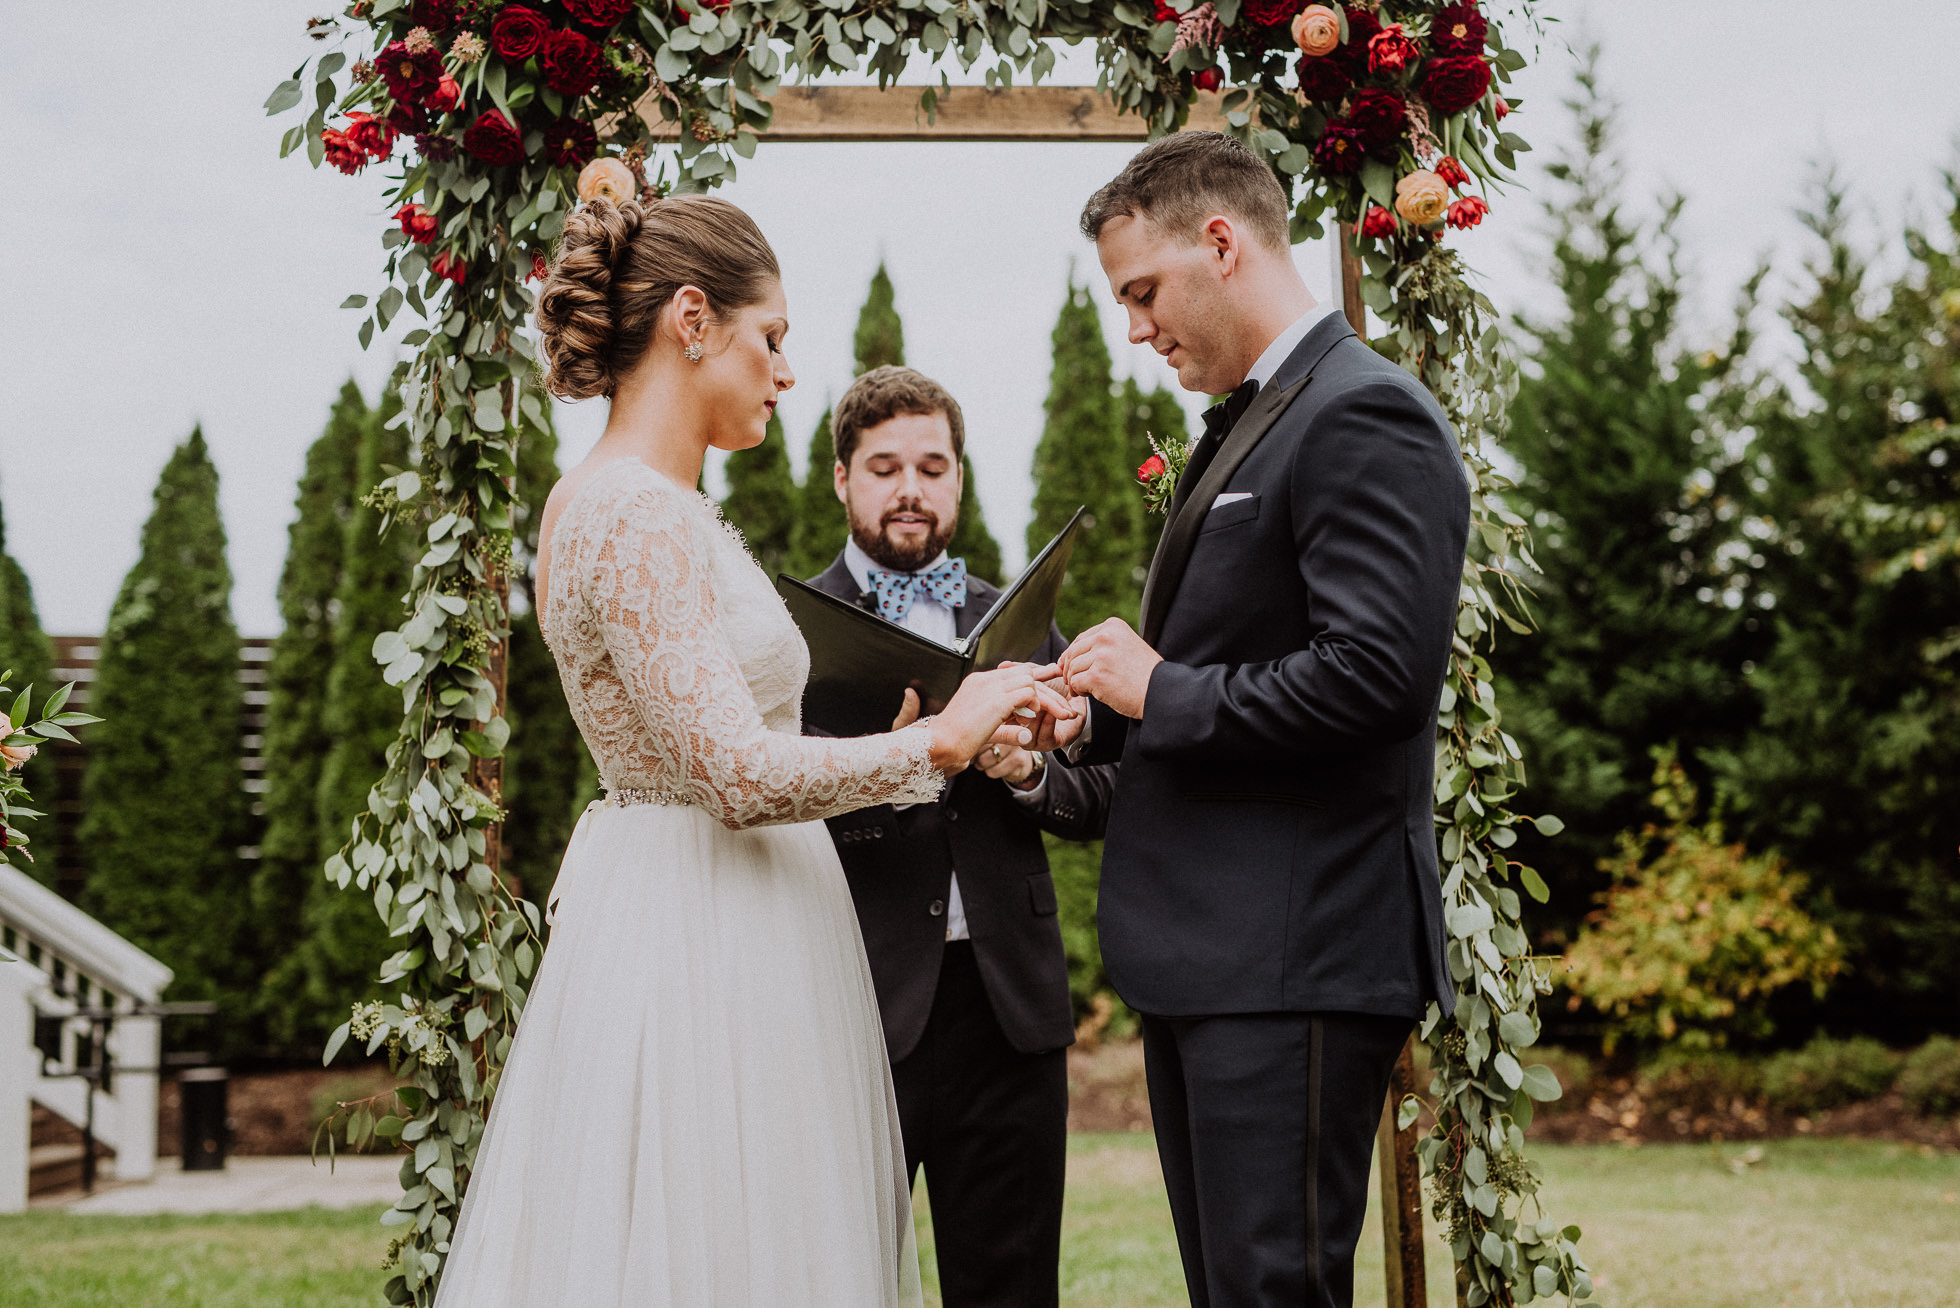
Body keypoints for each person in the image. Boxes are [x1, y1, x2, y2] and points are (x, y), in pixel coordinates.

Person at [433, 193, 1072, 1307]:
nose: (785, 372)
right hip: (700, 930)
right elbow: (732, 774)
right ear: (692, 320)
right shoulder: (631, 511)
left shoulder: (663, 507)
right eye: (770, 337)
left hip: (731, 912)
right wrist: (937, 742)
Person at [1034, 132, 1471, 1307]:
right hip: (1217, 963)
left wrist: (1155, 687)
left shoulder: (1362, 414)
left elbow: (1375, 678)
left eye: (1142, 292)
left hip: (1296, 954)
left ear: (1220, 243)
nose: (1135, 328)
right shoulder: (1253, 418)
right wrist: (1090, 731)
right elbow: (1242, 677)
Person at [804, 364, 1116, 1308]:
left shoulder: (1015, 621)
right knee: (842, 1284)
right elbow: (765, 800)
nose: (911, 489)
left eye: (932, 467)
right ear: (843, 481)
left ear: (960, 480)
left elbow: (1099, 797)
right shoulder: (795, 634)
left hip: (1007, 1012)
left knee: (1013, 1287)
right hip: (854, 1005)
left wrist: (1025, 774)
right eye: (886, 466)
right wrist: (901, 757)